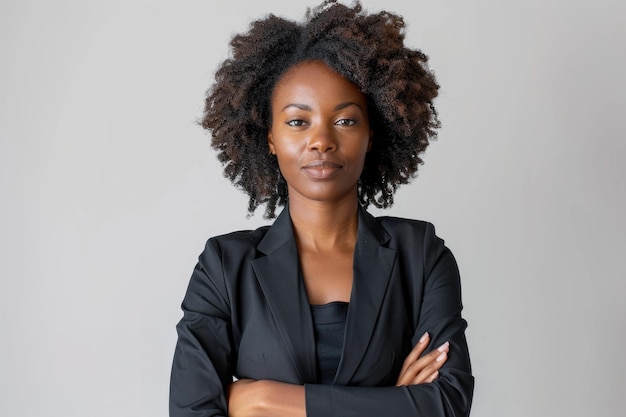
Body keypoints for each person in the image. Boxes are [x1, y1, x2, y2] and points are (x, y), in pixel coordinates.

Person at [169, 1, 474, 416]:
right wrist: (393, 404)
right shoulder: (224, 267)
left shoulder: (419, 255)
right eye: (298, 122)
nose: (321, 141)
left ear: (372, 133)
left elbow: (448, 404)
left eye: (346, 121)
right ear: (270, 137)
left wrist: (262, 400)